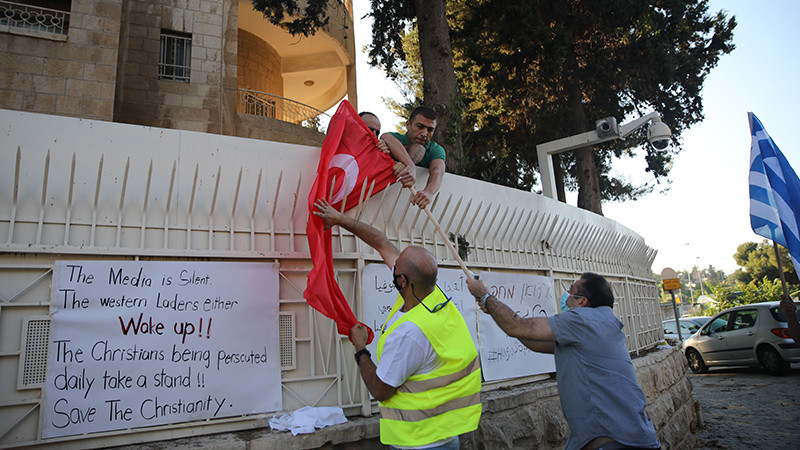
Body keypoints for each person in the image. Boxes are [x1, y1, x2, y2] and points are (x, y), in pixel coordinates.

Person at [312, 197, 481, 449]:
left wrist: (360, 349)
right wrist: (339, 219)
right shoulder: (434, 296)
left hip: (418, 442)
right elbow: (382, 242)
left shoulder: (410, 333)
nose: (392, 265)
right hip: (447, 436)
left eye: (396, 268)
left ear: (402, 281)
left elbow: (381, 390)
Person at [466, 272, 660, 450]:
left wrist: (485, 296)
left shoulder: (583, 320)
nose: (566, 294)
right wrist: (494, 311)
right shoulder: (599, 325)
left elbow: (517, 326)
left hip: (616, 443)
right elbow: (532, 341)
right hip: (628, 439)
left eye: (571, 291)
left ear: (582, 301)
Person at [381, 106, 446, 209]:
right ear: (408, 124)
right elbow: (385, 136)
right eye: (420, 127)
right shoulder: (395, 138)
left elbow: (438, 170)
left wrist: (429, 192)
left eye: (430, 130)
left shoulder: (435, 149)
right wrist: (410, 166)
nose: (425, 134)